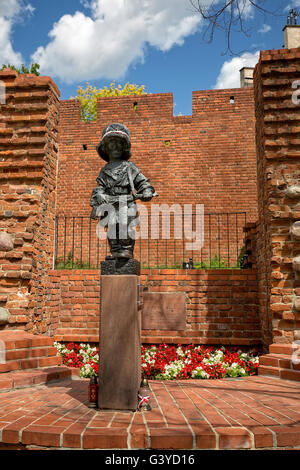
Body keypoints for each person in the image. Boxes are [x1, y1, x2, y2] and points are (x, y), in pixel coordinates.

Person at [90, 123, 156, 259]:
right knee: (112, 228)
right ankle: (115, 251)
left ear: (124, 147)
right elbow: (99, 187)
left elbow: (143, 182)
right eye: (112, 144)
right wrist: (100, 195)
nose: (116, 148)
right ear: (106, 148)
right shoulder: (104, 170)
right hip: (110, 203)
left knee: (125, 225)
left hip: (126, 202)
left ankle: (126, 250)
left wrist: (147, 191)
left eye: (119, 144)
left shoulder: (129, 167)